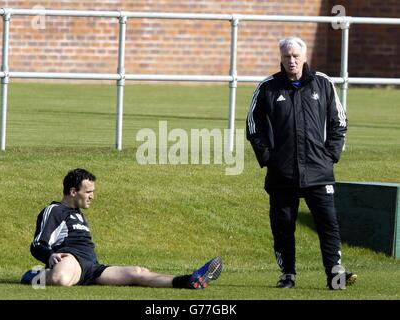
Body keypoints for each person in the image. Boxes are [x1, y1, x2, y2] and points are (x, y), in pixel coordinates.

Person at [246, 37, 356, 290]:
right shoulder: (268, 87)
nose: (292, 60)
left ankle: (334, 274)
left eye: (296, 56)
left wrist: (331, 154)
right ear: (281, 58)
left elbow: (339, 121)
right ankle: (288, 274)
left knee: (328, 224)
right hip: (282, 173)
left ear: (304, 57)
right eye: (287, 56)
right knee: (283, 226)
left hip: (319, 171)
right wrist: (269, 159)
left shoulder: (323, 83)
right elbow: (254, 126)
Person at [21, 168, 222, 289]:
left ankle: (189, 280)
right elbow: (37, 243)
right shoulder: (55, 210)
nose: (92, 196)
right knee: (61, 278)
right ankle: (33, 275)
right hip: (70, 260)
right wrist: (48, 257)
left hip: (91, 268)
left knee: (137, 272)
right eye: (88, 192)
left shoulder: (78, 213)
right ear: (73, 191)